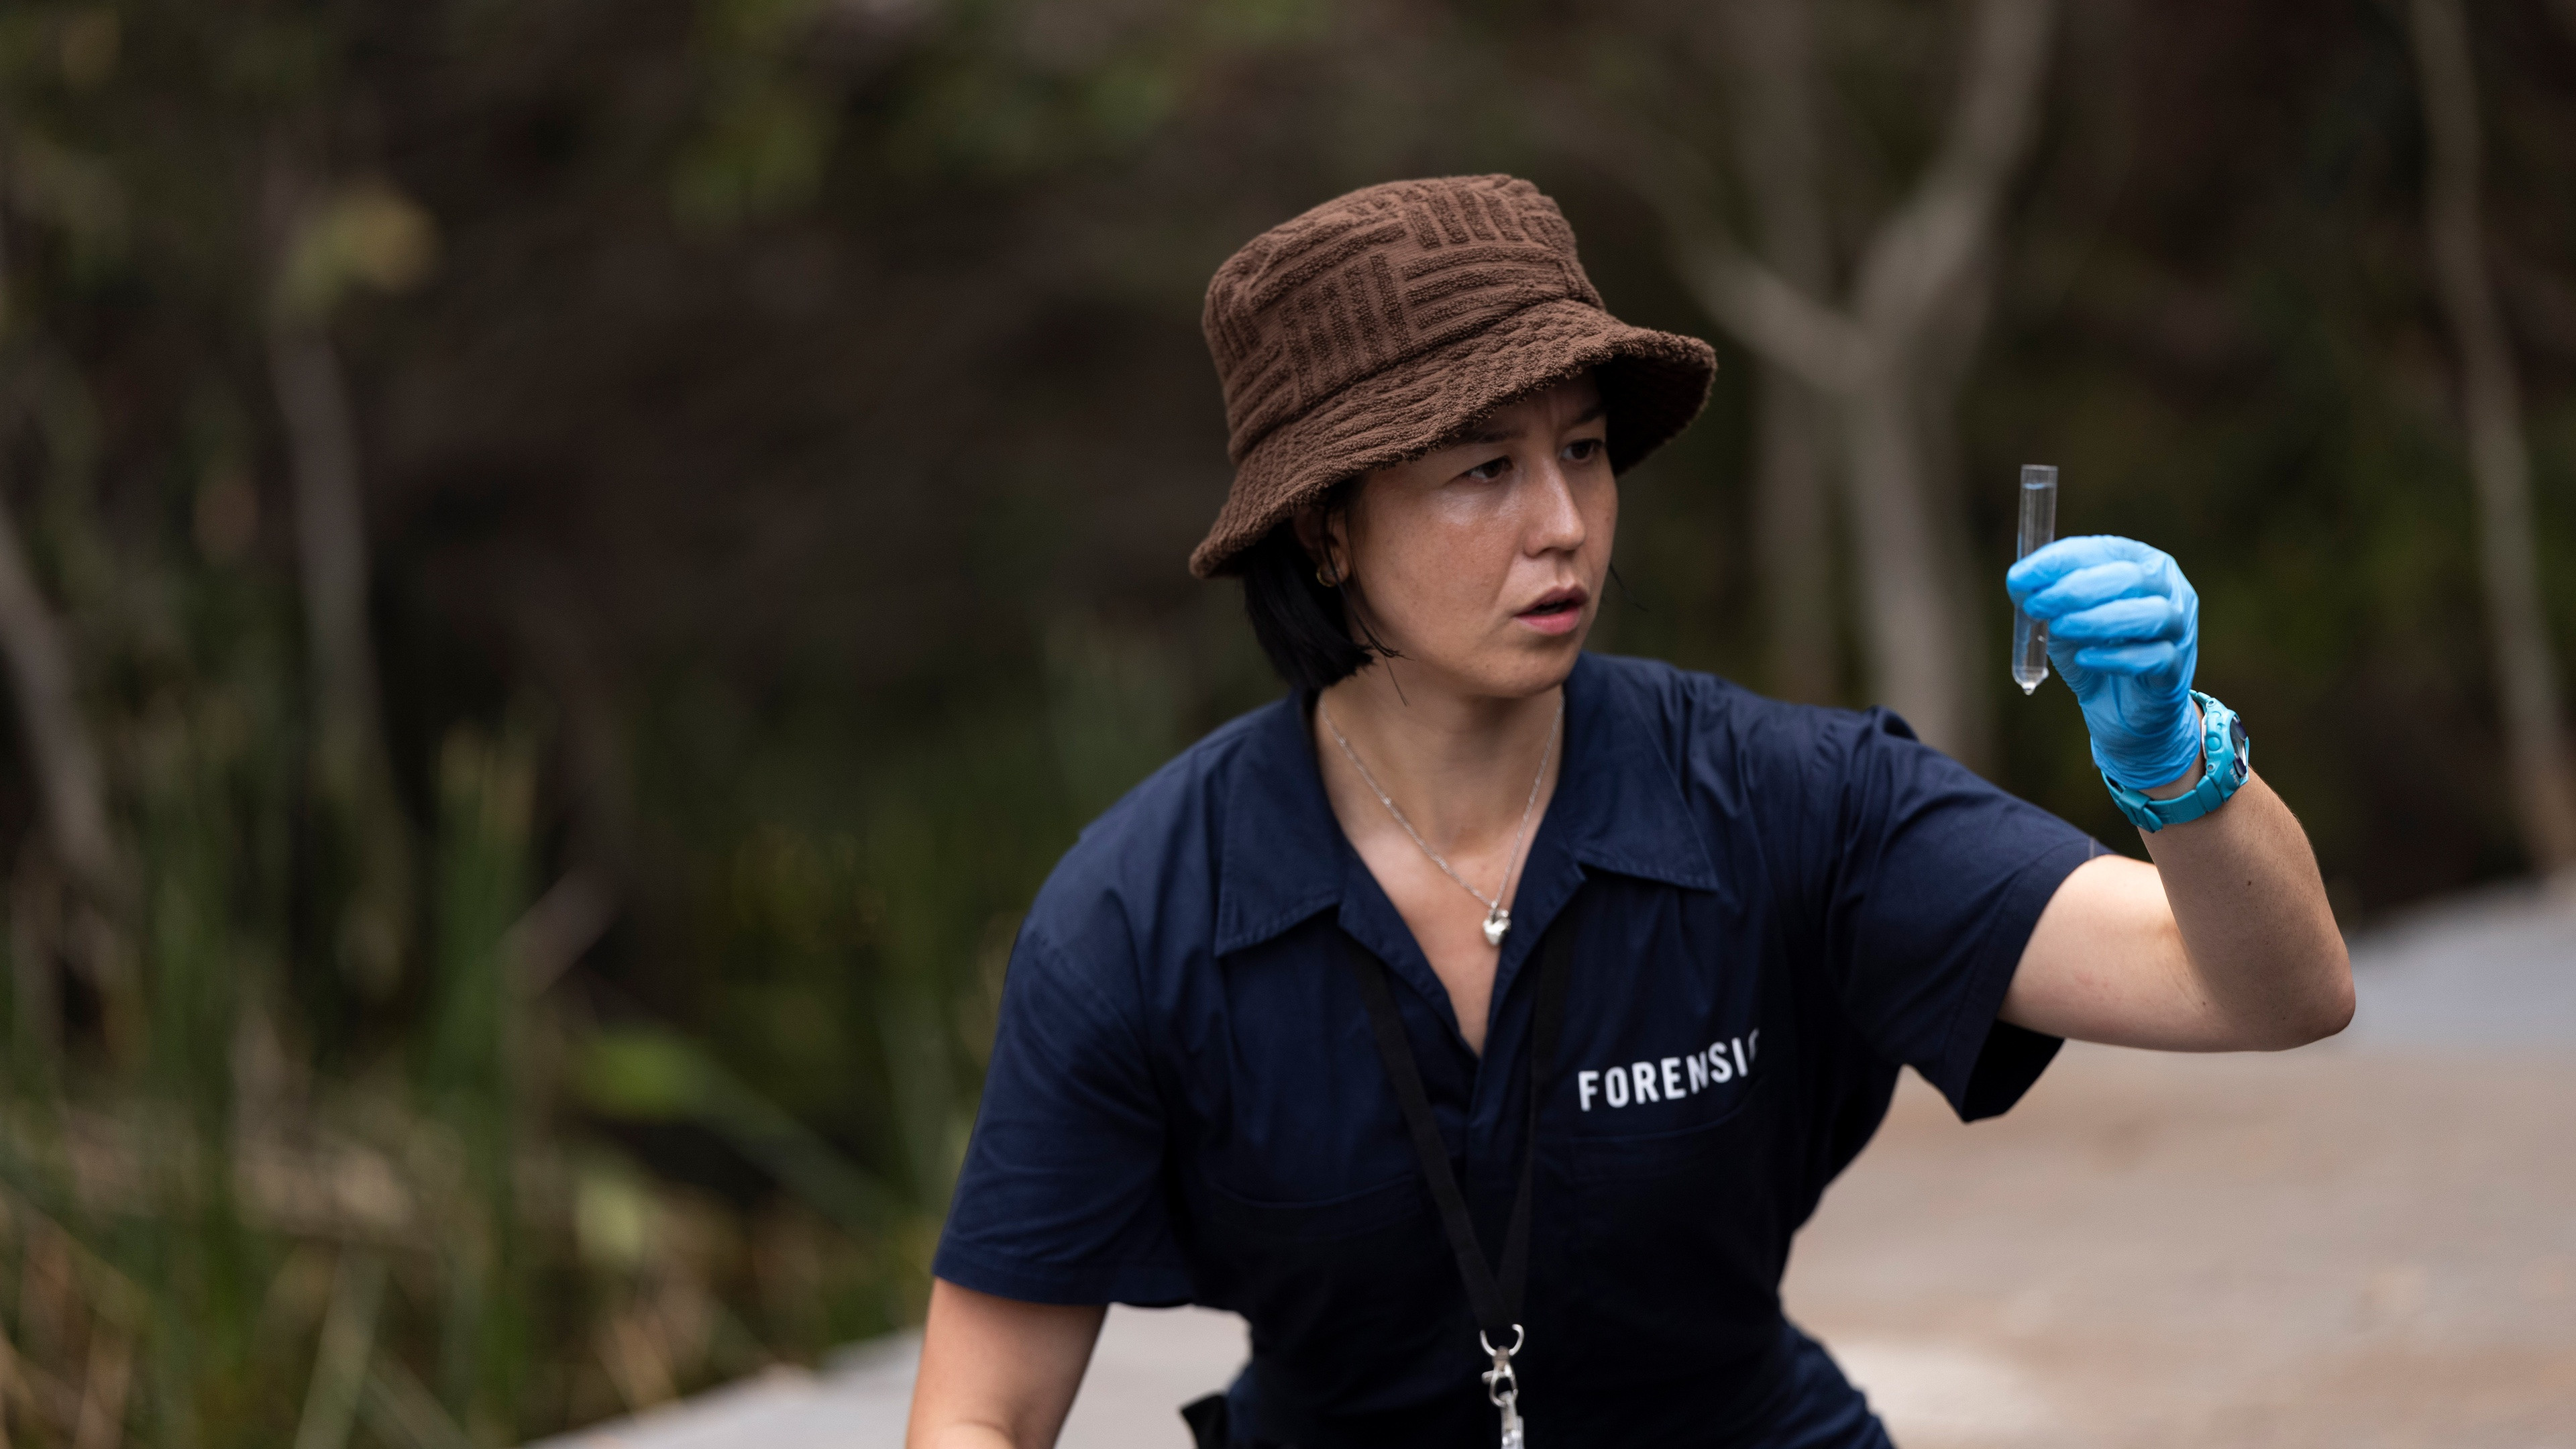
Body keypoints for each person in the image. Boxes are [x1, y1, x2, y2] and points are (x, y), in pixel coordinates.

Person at [903, 175, 2350, 1449]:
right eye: (1485, 468)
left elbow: (2270, 991)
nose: (1563, 525)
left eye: (1584, 451)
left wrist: (2177, 764)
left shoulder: (1783, 795)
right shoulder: (1139, 912)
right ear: (1326, 528)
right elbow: (981, 1410)